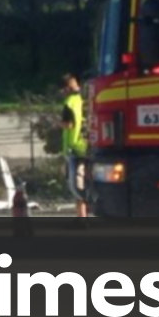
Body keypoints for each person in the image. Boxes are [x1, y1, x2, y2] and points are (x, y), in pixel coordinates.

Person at [60, 73, 88, 218]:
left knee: (77, 188)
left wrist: (57, 124)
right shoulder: (82, 100)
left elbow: (69, 124)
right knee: (83, 184)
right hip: (84, 146)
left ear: (66, 88)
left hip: (73, 148)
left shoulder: (68, 103)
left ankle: (82, 219)